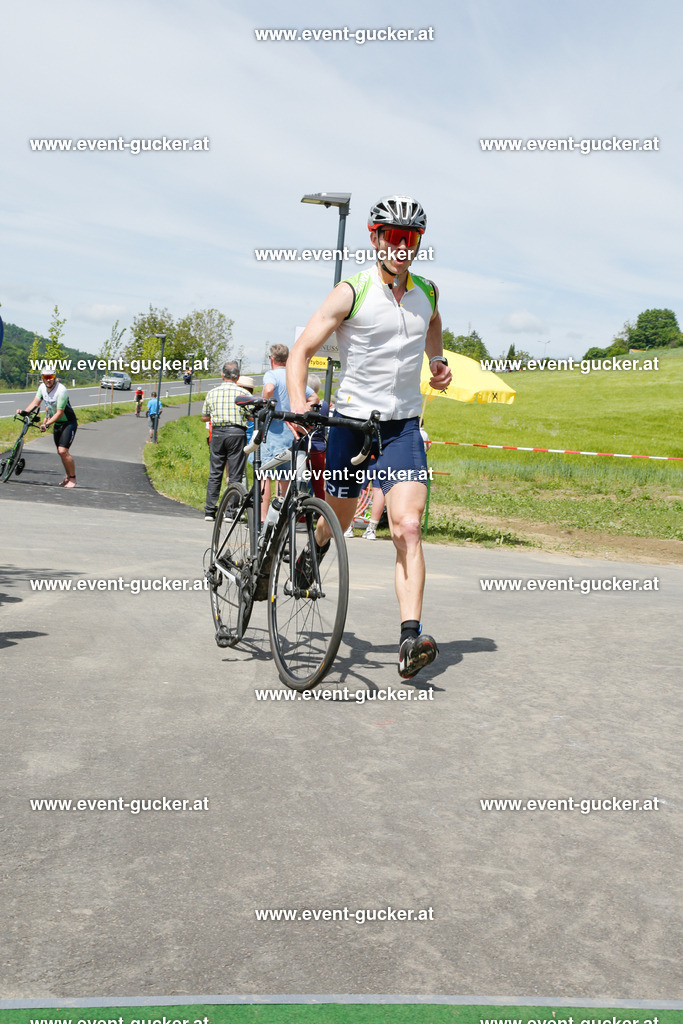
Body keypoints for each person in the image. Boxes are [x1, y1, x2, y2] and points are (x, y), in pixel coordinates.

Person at [287, 195, 452, 679]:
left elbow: (434, 326)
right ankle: (313, 550)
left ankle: (410, 638)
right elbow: (301, 351)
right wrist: (299, 402)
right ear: (375, 237)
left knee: (408, 526)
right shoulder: (350, 292)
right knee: (335, 521)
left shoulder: (428, 292)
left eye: (411, 239)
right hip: (351, 426)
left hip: (402, 430)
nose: (402, 247)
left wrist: (438, 361)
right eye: (393, 237)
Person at [202, 361, 251, 521]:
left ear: (222, 375)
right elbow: (251, 416)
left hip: (217, 433)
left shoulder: (212, 393)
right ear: (237, 377)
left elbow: (205, 417)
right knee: (235, 474)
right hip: (237, 433)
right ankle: (230, 512)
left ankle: (210, 511)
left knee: (215, 472)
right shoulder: (244, 394)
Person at [17, 365, 79, 487]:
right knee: (60, 452)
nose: (48, 379)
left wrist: (46, 424)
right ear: (42, 378)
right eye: (46, 377)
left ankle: (73, 478)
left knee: (63, 451)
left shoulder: (61, 391)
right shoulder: (42, 387)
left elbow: (59, 412)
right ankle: (67, 477)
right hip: (57, 423)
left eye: (51, 377)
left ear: (54, 377)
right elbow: (36, 402)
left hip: (68, 423)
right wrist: (25, 412)